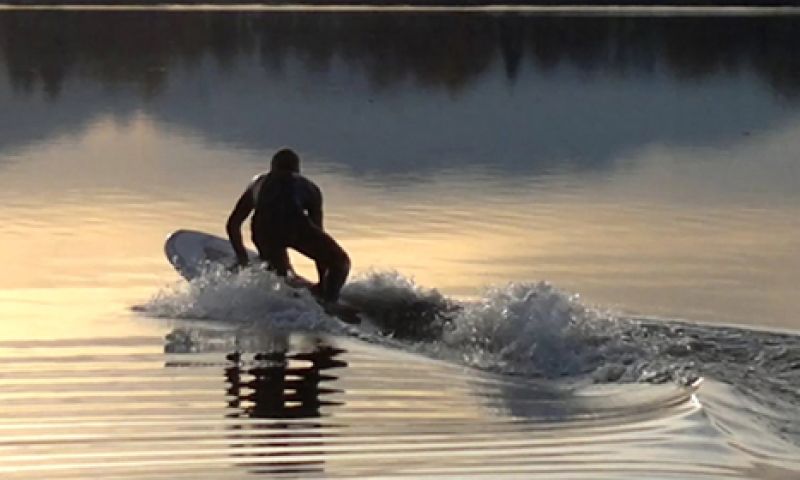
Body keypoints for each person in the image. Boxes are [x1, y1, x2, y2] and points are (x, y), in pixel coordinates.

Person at [226, 148, 350, 303]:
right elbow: (319, 233)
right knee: (340, 262)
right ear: (297, 170)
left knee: (281, 276)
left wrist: (242, 258)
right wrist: (323, 284)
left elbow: (233, 224)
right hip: (295, 227)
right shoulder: (310, 188)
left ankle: (281, 276)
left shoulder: (257, 183)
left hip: (264, 230)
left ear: (272, 168)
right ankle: (329, 301)